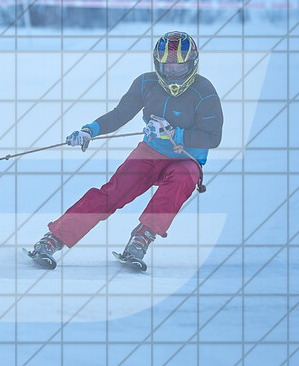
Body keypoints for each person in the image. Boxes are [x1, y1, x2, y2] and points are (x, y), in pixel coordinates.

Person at [27, 31, 223, 271]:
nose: (172, 73)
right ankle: (53, 239)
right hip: (150, 154)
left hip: (186, 160)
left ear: (192, 64)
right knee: (113, 193)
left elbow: (213, 137)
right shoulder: (145, 83)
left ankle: (142, 238)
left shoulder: (205, 91)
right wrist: (90, 130)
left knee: (182, 178)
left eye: (179, 67)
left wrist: (176, 134)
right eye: (167, 66)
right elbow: (120, 114)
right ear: (157, 64)